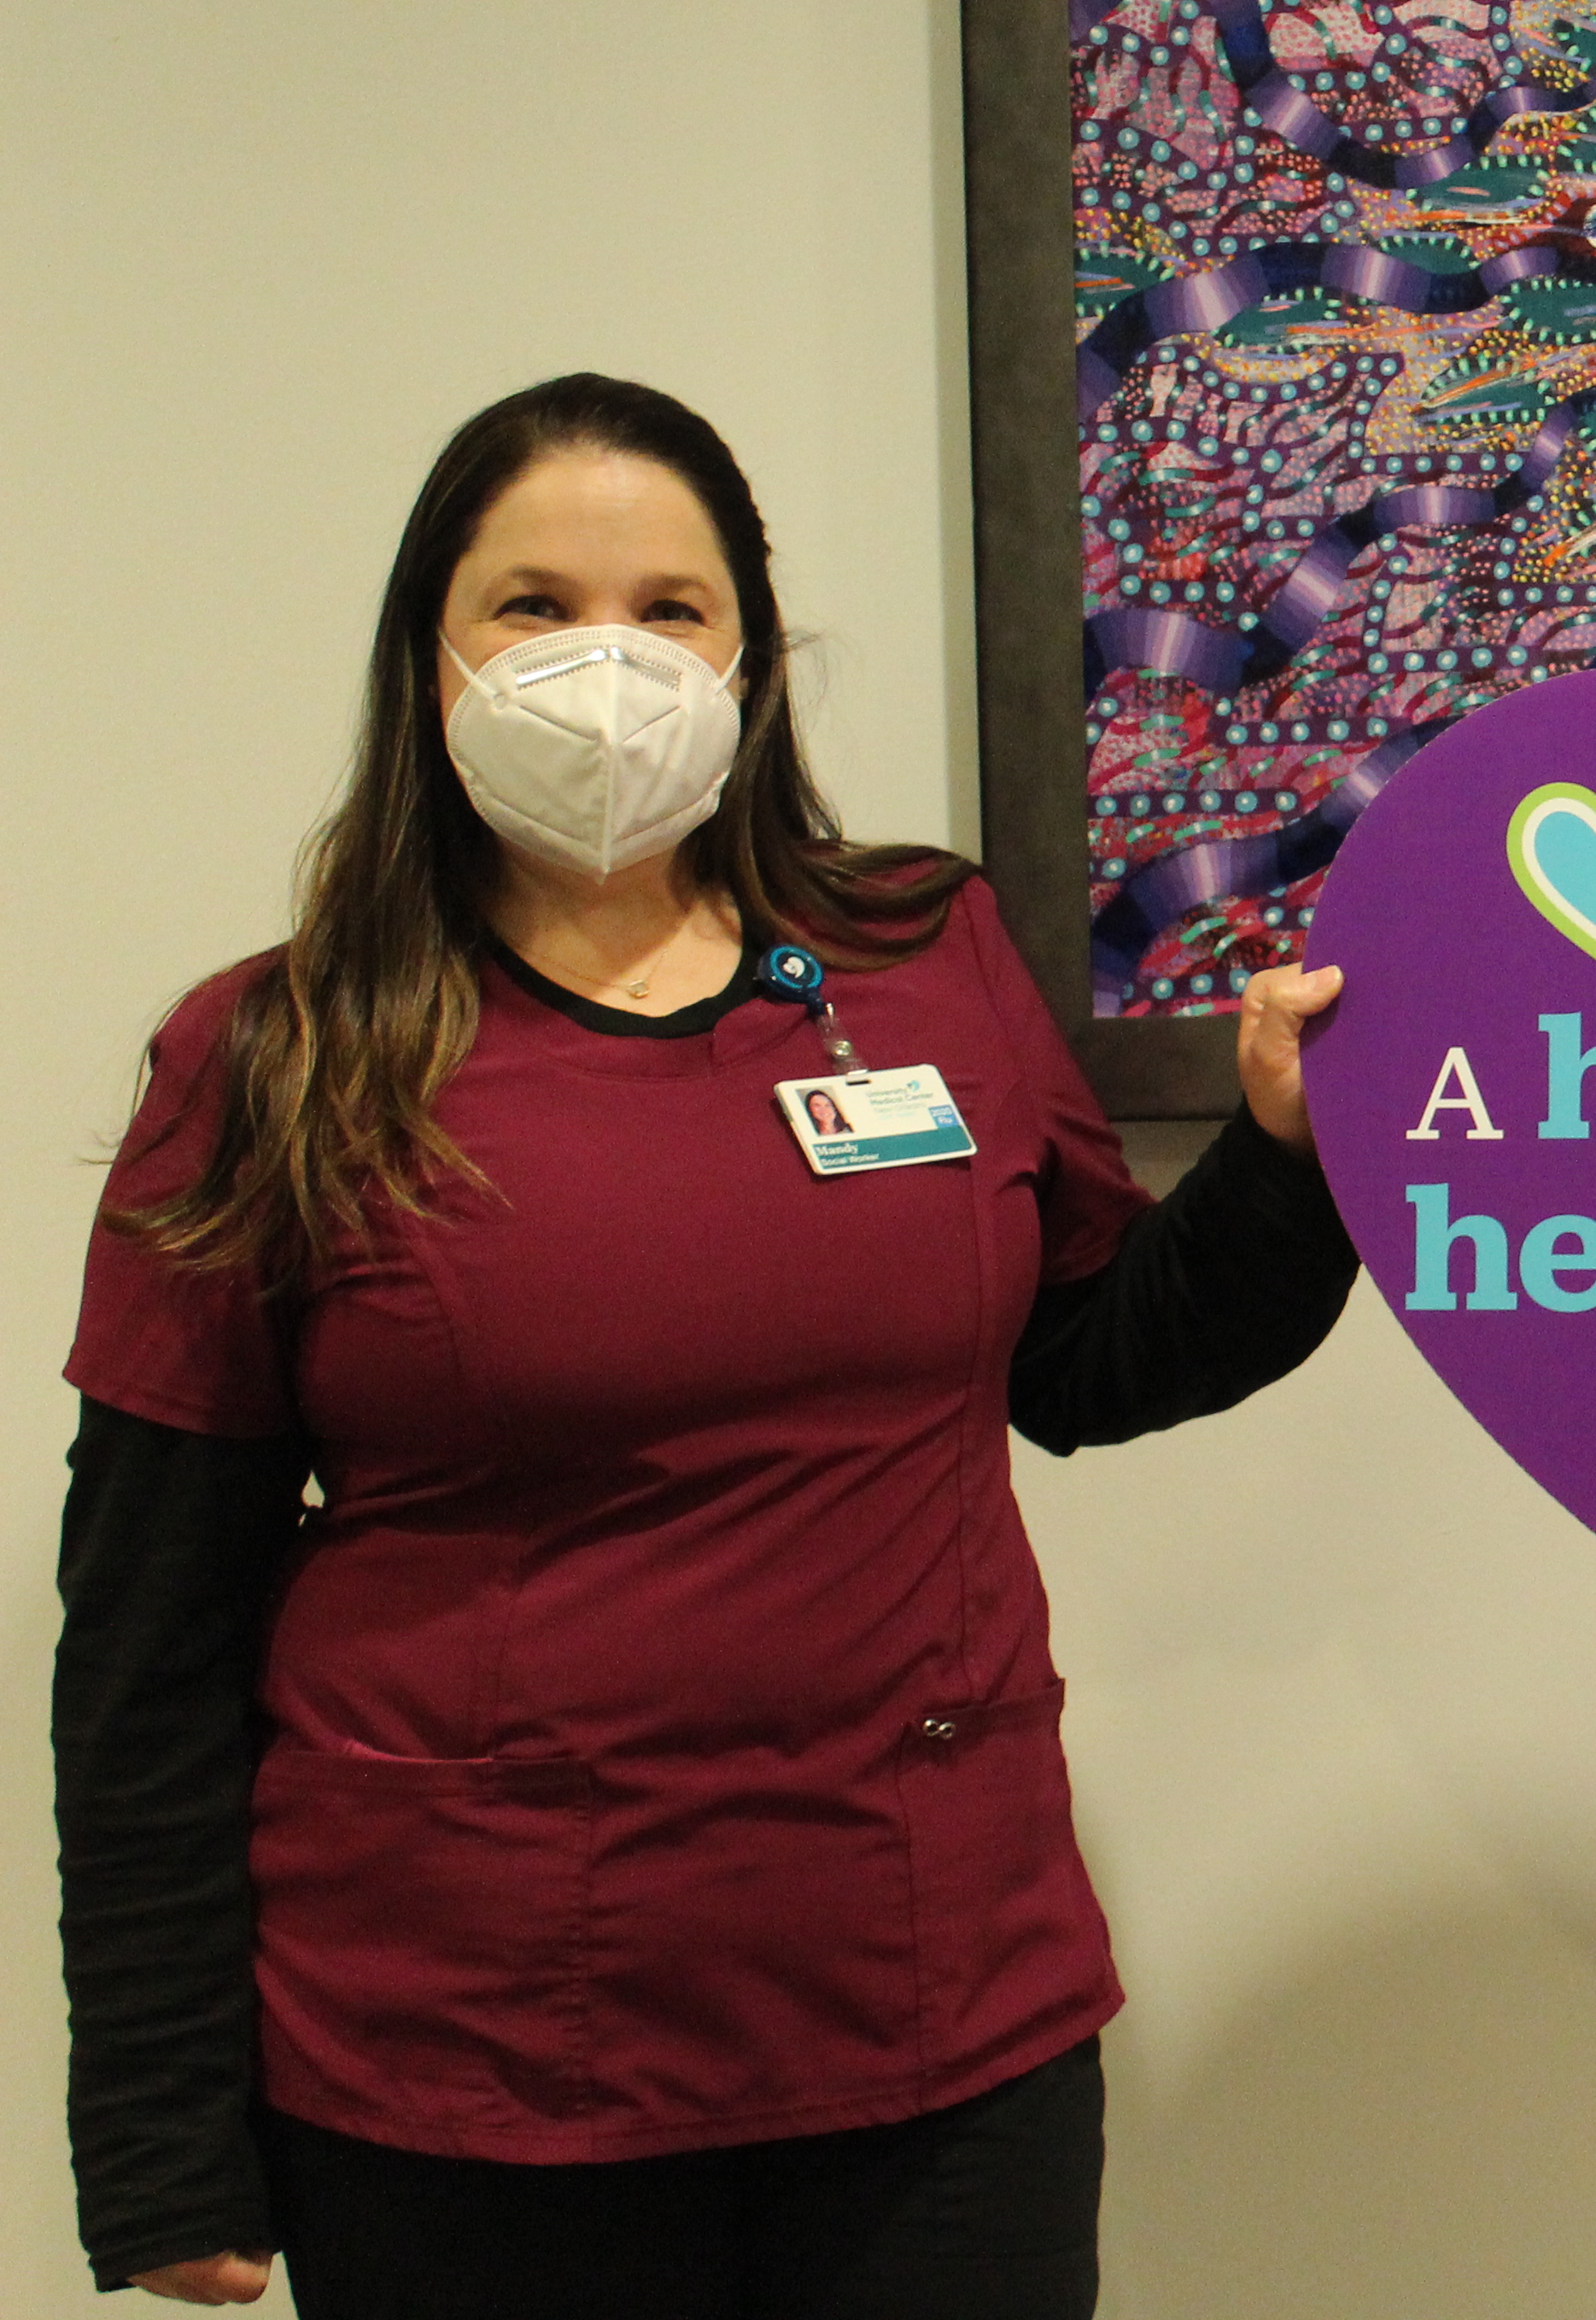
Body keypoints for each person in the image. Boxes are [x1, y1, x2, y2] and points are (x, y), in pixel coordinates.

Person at [59, 377, 1360, 2315]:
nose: (608, 656)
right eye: (533, 605)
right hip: (470, 2073)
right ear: (429, 660)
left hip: (937, 2023)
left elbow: (1090, 1361)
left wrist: (1279, 1158)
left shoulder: (926, 957)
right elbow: (150, 1640)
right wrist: (162, 2137)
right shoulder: (279, 1056)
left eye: (671, 608)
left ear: (750, 657)